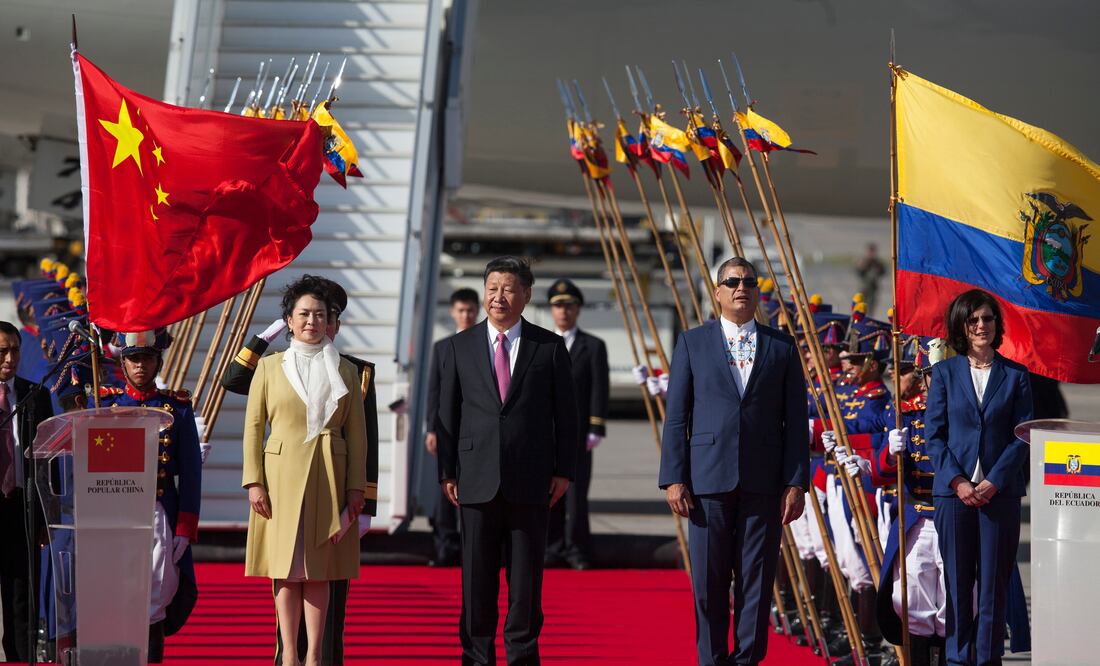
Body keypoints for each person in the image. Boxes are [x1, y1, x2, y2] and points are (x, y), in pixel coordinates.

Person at [658, 257, 809, 666]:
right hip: (706, 482)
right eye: (732, 281)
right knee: (707, 583)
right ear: (718, 291)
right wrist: (673, 478)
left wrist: (796, 483)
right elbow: (677, 416)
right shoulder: (692, 342)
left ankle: (747, 660)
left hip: (764, 483)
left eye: (749, 281)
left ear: (757, 291)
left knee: (756, 583)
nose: (741, 287)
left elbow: (795, 420)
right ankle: (711, 659)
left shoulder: (781, 346)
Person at [223, 275, 379, 666]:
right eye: (303, 314)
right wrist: (254, 480)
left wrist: (359, 490)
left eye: (320, 315)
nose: (312, 321)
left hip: (329, 476)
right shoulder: (270, 367)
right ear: (289, 320)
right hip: (280, 478)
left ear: (331, 323)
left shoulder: (348, 370)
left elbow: (360, 436)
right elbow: (253, 427)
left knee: (320, 570)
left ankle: (315, 657)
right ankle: (288, 656)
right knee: (286, 568)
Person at [435, 256, 578, 666]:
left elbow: (566, 417)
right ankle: (476, 656)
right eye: (492, 287)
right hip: (475, 480)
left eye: (509, 288)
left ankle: (522, 656)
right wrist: (447, 471)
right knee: (476, 582)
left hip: (532, 482)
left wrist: (564, 471)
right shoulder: (458, 346)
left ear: (526, 295)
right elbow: (447, 414)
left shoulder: (548, 347)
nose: (499, 296)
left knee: (525, 583)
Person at [925, 289, 1033, 666]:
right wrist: (959, 482)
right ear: (962, 327)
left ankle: (987, 660)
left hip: (998, 496)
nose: (981, 326)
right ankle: (957, 660)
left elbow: (1023, 435)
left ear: (996, 324)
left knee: (992, 588)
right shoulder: (944, 373)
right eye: (973, 321)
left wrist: (994, 482)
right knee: (956, 586)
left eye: (987, 319)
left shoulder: (1016, 375)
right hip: (954, 496)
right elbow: (934, 436)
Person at [94, 328, 202, 662]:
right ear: (123, 363)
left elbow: (192, 474)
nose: (141, 366)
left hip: (158, 514)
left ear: (158, 362)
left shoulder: (178, 409)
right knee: (116, 596)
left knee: (155, 597)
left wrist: (185, 527)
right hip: (116, 515)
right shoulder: (106, 404)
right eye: (134, 359)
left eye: (148, 359)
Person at [544, 278, 608, 571]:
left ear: (578, 309)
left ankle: (578, 550)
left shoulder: (593, 346)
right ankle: (552, 548)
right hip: (548, 433)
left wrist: (596, 426)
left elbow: (599, 388)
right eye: (558, 306)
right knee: (548, 493)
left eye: (569, 306)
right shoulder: (541, 344)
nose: (563, 312)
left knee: (577, 496)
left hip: (580, 434)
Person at [0, 321, 53, 663]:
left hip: (21, 504)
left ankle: (19, 658)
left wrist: (47, 516)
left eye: (14, 350)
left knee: (21, 593)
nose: (9, 358)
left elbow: (48, 460)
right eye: (1, 351)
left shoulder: (36, 396)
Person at [424, 288, 479, 567]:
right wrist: (431, 428)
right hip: (447, 428)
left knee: (477, 489)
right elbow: (434, 390)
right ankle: (445, 545)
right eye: (461, 310)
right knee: (445, 486)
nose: (466, 315)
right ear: (453, 312)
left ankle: (475, 549)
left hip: (477, 429)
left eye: (470, 310)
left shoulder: (485, 343)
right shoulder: (442, 347)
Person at [854, 243, 886, 315]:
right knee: (860, 307)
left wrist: (878, 268)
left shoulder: (877, 263)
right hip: (863, 288)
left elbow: (883, 272)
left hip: (873, 288)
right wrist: (863, 266)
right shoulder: (863, 261)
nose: (871, 254)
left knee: (871, 308)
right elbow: (858, 272)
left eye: (873, 252)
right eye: (870, 251)